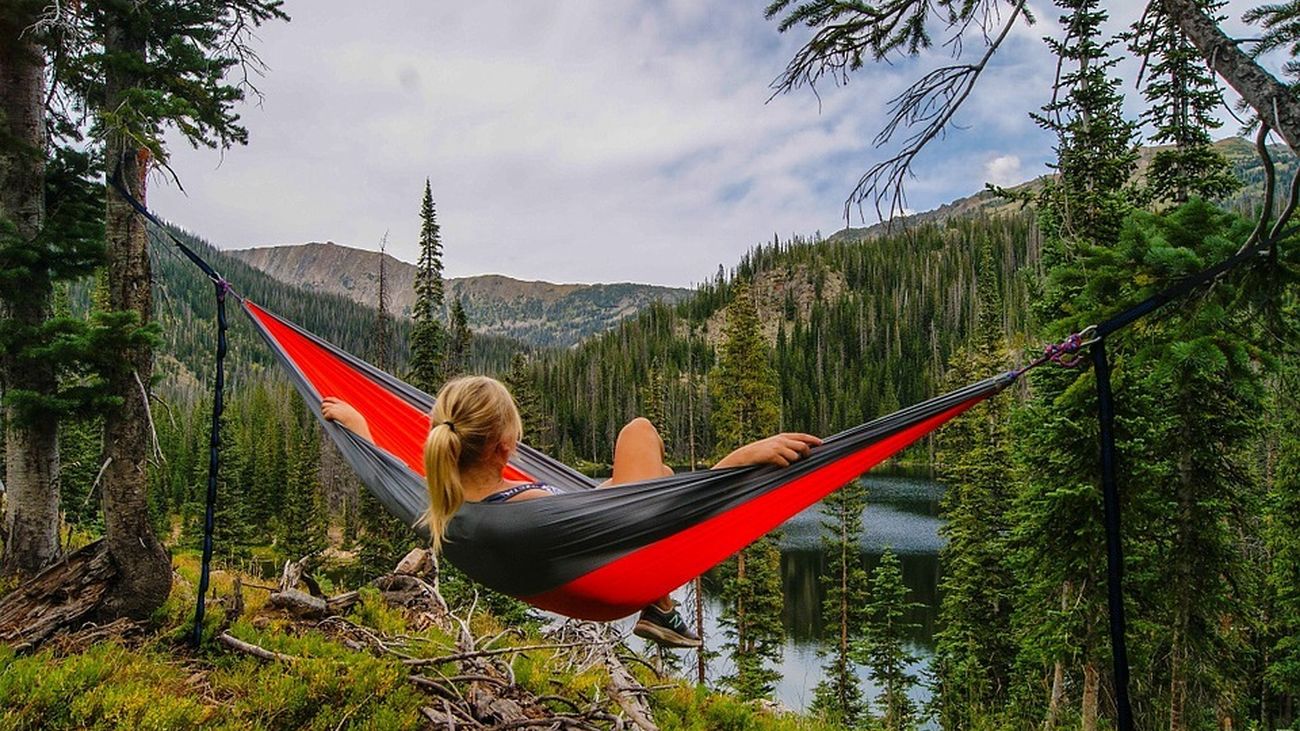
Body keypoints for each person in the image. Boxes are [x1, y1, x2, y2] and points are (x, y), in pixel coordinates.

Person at [321, 375, 821, 649]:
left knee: (658, 470)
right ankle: (660, 605)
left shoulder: (439, 504)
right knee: (639, 432)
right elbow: (661, 521)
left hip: (577, 551)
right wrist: (737, 463)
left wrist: (361, 430)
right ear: (505, 445)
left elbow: (391, 474)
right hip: (609, 578)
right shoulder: (528, 512)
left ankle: (663, 607)